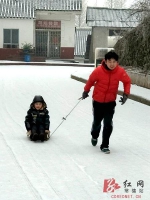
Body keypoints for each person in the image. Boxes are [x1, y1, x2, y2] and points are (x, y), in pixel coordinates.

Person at [82, 51, 131, 154]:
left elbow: (127, 81)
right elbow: (91, 81)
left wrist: (126, 94)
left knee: (108, 124)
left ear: (117, 62)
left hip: (110, 102)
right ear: (106, 61)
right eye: (110, 61)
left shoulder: (120, 71)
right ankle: (94, 135)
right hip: (98, 102)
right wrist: (86, 91)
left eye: (114, 61)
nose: (112, 64)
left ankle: (105, 145)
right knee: (97, 122)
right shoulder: (98, 71)